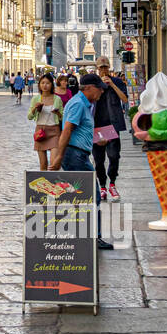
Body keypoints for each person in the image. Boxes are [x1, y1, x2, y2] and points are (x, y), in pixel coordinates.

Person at [50, 73, 112, 250]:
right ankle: (94, 237)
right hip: (75, 155)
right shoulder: (78, 104)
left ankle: (84, 235)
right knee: (93, 195)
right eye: (99, 88)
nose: (101, 91)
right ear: (89, 88)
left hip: (78, 153)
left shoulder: (84, 104)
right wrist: (58, 158)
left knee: (83, 196)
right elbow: (67, 130)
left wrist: (94, 139)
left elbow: (77, 131)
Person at [93, 57, 131, 202]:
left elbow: (125, 99)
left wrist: (112, 85)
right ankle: (102, 186)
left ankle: (112, 183)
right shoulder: (94, 83)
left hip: (113, 125)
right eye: (101, 67)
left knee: (114, 156)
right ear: (97, 68)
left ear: (109, 67)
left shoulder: (118, 82)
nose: (103, 70)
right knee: (98, 159)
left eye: (105, 67)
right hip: (97, 126)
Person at [28, 74, 64, 170]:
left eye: (47, 83)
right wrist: (35, 108)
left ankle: (53, 183)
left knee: (53, 165)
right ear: (39, 85)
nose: (45, 85)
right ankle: (44, 184)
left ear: (52, 85)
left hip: (54, 131)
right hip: (40, 132)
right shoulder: (36, 99)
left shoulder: (57, 99)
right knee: (43, 164)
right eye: (42, 83)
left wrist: (58, 113)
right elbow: (29, 117)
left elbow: (62, 118)